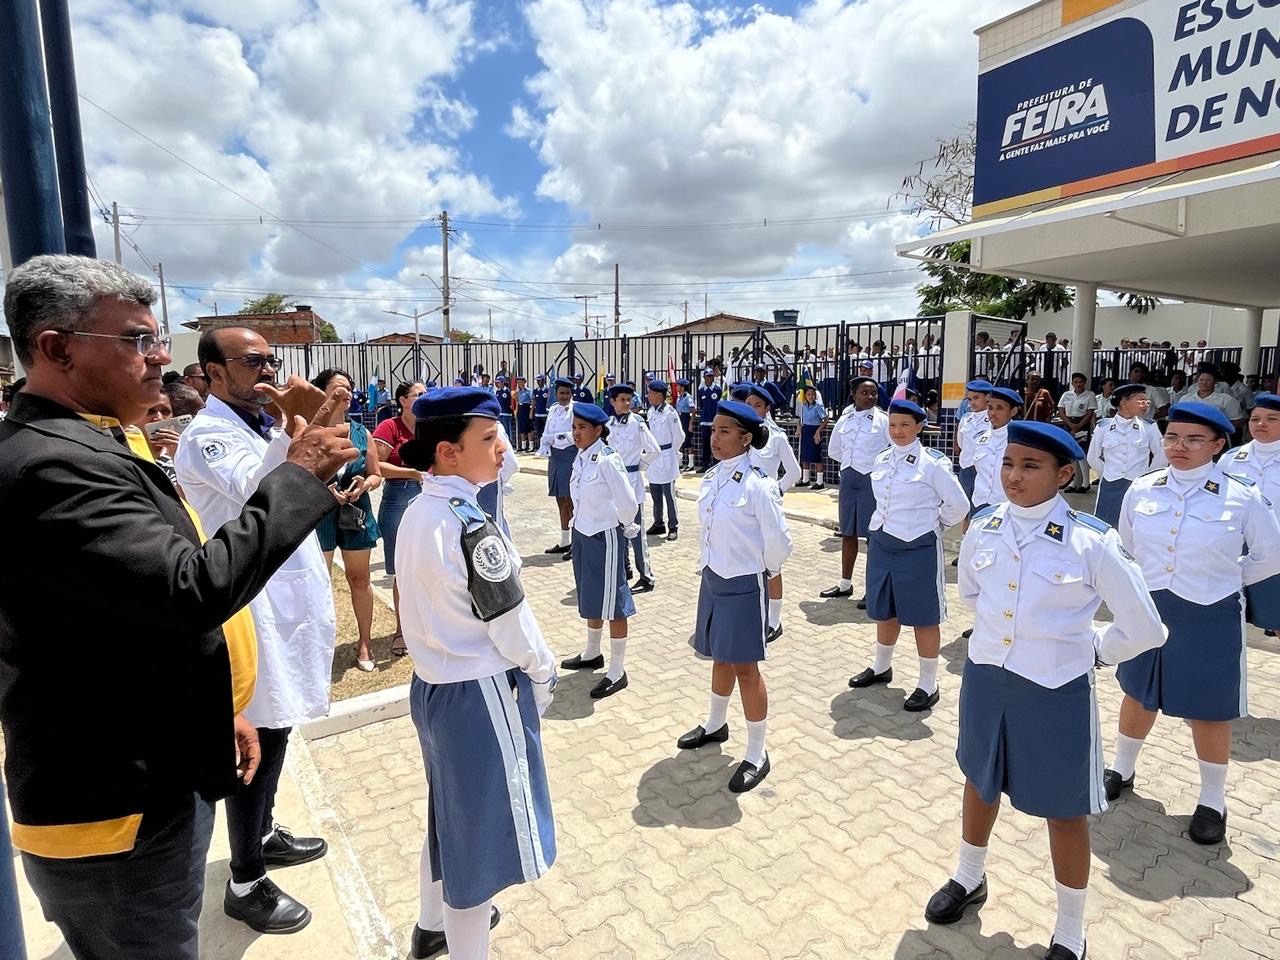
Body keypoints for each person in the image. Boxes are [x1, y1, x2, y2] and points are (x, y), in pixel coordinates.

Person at [0, 254, 357, 960]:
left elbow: (134, 606)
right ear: (56, 348)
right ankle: (250, 875)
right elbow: (192, 588)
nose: (161, 358)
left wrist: (214, 705)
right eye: (135, 340)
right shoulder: (50, 465)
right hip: (115, 802)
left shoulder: (91, 439)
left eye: (158, 339)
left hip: (158, 757)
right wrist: (300, 471)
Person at [925, 421, 1167, 960]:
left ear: (1063, 475)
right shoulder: (984, 527)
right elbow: (970, 591)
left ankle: (1070, 928)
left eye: (1030, 466)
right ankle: (969, 878)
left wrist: (1096, 649)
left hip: (1055, 689)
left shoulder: (1092, 540)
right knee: (979, 781)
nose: (1013, 476)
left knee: (1064, 809)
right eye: (1009, 463)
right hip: (987, 679)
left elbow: (1147, 628)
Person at [176, 328, 338, 935]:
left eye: (274, 359)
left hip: (282, 603)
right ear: (214, 374)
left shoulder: (260, 429)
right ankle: (245, 881)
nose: (268, 369)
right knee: (259, 745)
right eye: (253, 361)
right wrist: (297, 425)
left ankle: (262, 833)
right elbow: (260, 493)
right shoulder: (208, 435)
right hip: (251, 613)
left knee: (280, 727)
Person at [392, 387, 557, 960]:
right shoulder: (470, 525)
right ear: (447, 453)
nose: (504, 449)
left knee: (451, 820)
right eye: (488, 440)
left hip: (434, 688)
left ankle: (429, 924)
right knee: (478, 852)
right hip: (479, 693)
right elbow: (510, 620)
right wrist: (544, 670)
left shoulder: (420, 509)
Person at [1105, 402, 1280, 845]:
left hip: (1210, 613)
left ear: (1219, 445)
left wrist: (1224, 579)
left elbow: (1268, 556)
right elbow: (1125, 547)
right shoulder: (1142, 490)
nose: (1179, 446)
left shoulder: (1243, 496)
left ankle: (1212, 801)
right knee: (1138, 692)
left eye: (1193, 439)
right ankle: (1121, 770)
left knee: (1208, 709)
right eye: (1171, 437)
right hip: (1149, 608)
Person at [677, 401, 793, 793]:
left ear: (746, 438)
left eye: (725, 431)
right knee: (718, 656)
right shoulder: (712, 477)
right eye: (714, 430)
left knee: (746, 668)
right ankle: (715, 723)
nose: (716, 438)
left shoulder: (760, 485)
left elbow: (779, 543)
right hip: (714, 580)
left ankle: (758, 752)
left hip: (745, 584)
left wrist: (767, 570)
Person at [849, 399, 969, 710]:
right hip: (883, 544)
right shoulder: (883, 459)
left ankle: (928, 683)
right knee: (884, 608)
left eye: (904, 425)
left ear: (919, 427)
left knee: (923, 616)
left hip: (918, 547)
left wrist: (933, 526)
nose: (897, 431)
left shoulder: (933, 464)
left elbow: (959, 506)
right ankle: (881, 666)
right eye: (892, 425)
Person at [559, 402, 639, 699]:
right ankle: (593, 652)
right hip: (583, 533)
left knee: (614, 601)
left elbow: (628, 501)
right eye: (574, 427)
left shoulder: (608, 460)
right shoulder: (581, 457)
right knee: (591, 595)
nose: (576, 433)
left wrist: (625, 526)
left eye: (582, 428)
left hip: (604, 535)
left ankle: (617, 670)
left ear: (598, 430)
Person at [309, 369, 384, 672]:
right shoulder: (312, 432)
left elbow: (376, 474)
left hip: (356, 511)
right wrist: (323, 489)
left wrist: (365, 485)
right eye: (339, 387)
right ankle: (318, 649)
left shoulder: (360, 431)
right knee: (319, 583)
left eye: (350, 388)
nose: (347, 393)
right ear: (322, 393)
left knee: (359, 579)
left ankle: (364, 643)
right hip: (320, 512)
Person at [732, 382, 800, 642]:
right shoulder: (742, 434)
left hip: (766, 509)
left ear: (767, 408)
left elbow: (794, 472)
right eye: (748, 405)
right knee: (747, 561)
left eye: (757, 405)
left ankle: (774, 620)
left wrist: (775, 491)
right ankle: (752, 613)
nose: (751, 409)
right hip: (742, 507)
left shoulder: (777, 436)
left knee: (772, 565)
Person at [820, 376, 890, 606]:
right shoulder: (845, 418)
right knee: (848, 533)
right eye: (865, 393)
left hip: (872, 480)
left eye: (874, 393)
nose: (870, 397)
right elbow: (834, 450)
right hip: (849, 478)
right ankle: (845, 583)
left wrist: (874, 470)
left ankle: (874, 589)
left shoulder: (882, 420)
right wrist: (852, 465)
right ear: (854, 394)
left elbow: (893, 449)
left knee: (873, 536)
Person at [372, 381, 428, 657]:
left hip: (431, 496)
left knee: (430, 565)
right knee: (402, 571)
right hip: (399, 498)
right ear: (403, 400)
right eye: (418, 394)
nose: (423, 397)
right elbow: (377, 466)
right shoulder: (389, 427)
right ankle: (401, 631)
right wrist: (413, 474)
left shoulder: (430, 425)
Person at [1085, 383, 1166, 526]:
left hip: (1138, 484)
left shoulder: (1149, 427)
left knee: (1137, 525)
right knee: (1107, 525)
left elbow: (1162, 456)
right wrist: (1107, 474)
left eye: (1146, 401)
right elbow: (1092, 457)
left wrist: (1146, 477)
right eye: (1140, 401)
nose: (1145, 405)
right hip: (1111, 485)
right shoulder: (1104, 427)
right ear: (1124, 402)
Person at [1233, 394, 1280, 637]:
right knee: (1235, 615)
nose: (1261, 424)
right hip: (1238, 551)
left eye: (1272, 419)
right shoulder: (1231, 460)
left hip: (1276, 553)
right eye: (1255, 418)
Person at [607, 382, 660, 592]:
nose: (626, 403)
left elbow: (654, 450)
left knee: (637, 533)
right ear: (613, 402)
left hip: (632, 481)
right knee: (617, 529)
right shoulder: (608, 424)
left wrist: (639, 465)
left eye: (629, 399)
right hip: (614, 484)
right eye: (622, 400)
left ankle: (646, 575)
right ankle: (623, 569)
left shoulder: (637, 423)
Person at [537, 378, 578, 555]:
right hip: (555, 457)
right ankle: (564, 541)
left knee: (571, 500)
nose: (564, 396)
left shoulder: (575, 410)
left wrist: (557, 437)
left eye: (567, 393)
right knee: (560, 500)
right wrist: (545, 443)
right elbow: (547, 431)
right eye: (561, 393)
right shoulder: (553, 409)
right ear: (557, 393)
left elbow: (576, 432)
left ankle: (576, 543)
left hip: (569, 455)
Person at [643, 379, 685, 540]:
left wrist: (672, 452)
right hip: (654, 457)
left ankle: (673, 526)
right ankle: (658, 523)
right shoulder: (651, 412)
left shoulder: (670, 413)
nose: (648, 396)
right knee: (655, 492)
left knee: (669, 494)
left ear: (659, 394)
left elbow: (679, 436)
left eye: (651, 393)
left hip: (667, 455)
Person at [970, 387, 1023, 513]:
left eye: (999, 408)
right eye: (990, 407)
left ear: (1013, 411)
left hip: (1006, 504)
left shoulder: (1019, 441)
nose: (992, 413)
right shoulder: (979, 438)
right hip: (980, 503)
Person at [954, 380, 993, 521]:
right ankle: (966, 538)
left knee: (983, 507)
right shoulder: (966, 419)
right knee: (966, 506)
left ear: (988, 397)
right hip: (966, 467)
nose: (972, 403)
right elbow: (961, 443)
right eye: (969, 399)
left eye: (976, 398)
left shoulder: (993, 419)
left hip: (984, 469)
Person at [476, 417, 519, 538]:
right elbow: (511, 464)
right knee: (495, 528)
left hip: (466, 484)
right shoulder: (494, 427)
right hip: (489, 483)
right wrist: (500, 479)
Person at [1058, 373, 1097, 494]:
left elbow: (1090, 412)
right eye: (1076, 382)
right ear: (1072, 383)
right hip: (1069, 424)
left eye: (1081, 382)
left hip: (1082, 424)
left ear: (1084, 383)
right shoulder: (1066, 395)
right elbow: (1061, 411)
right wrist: (1071, 425)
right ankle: (1073, 481)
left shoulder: (1089, 395)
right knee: (1071, 454)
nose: (1078, 384)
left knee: (1082, 453)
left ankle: (1086, 482)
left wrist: (1079, 426)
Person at [1187, 367, 1244, 435]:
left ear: (1215, 382)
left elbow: (1238, 422)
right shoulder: (1186, 399)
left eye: (1208, 380)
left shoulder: (1226, 399)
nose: (1204, 383)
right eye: (1201, 380)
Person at [796, 385, 829, 490]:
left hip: (814, 430)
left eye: (813, 394)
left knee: (816, 457)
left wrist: (818, 431)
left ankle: (820, 482)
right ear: (805, 395)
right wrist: (798, 428)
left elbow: (825, 419)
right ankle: (806, 479)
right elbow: (801, 419)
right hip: (806, 430)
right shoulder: (803, 406)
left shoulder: (818, 406)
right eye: (809, 394)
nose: (811, 397)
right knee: (805, 456)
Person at [696, 368, 723, 472]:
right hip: (704, 421)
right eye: (708, 376)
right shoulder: (701, 391)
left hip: (714, 421)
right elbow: (701, 405)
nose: (709, 378)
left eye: (711, 376)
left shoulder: (718, 389)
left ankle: (716, 464)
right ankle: (705, 465)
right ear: (704, 377)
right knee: (705, 444)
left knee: (716, 443)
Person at [675, 378, 695, 471]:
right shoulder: (679, 397)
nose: (677, 387)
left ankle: (690, 464)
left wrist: (691, 423)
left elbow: (693, 410)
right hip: (680, 418)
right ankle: (680, 464)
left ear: (683, 387)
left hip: (686, 418)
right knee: (680, 441)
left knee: (688, 441)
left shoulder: (688, 397)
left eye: (678, 386)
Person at [515, 375, 533, 452]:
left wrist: (531, 412)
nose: (518, 384)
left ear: (524, 382)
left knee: (528, 429)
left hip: (526, 408)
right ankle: (523, 446)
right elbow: (517, 402)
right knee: (521, 429)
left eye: (520, 382)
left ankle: (531, 446)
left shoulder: (528, 391)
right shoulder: (517, 392)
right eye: (517, 382)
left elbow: (532, 402)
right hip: (520, 409)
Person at [494, 375, 514, 440]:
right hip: (500, 413)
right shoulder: (497, 391)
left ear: (502, 382)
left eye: (498, 382)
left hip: (506, 413)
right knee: (500, 428)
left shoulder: (507, 391)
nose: (497, 384)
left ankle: (508, 441)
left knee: (507, 428)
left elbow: (510, 401)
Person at [532, 373, 550, 446]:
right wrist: (532, 411)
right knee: (539, 431)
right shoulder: (535, 391)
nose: (538, 382)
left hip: (545, 414)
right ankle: (540, 445)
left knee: (546, 431)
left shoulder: (548, 390)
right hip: (537, 414)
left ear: (543, 381)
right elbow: (534, 401)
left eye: (539, 381)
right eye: (537, 381)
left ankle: (546, 445)